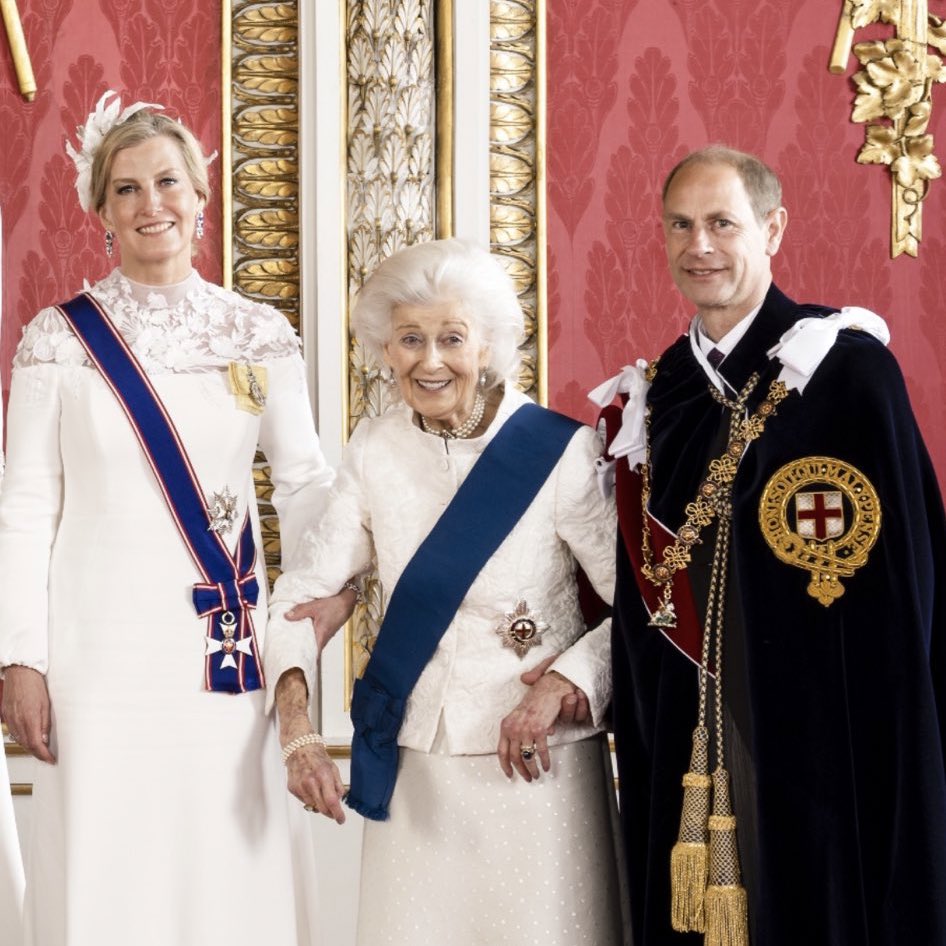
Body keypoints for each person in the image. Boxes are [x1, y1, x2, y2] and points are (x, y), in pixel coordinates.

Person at [0, 91, 347, 946]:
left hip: (221, 654)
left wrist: (317, 607)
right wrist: (20, 659)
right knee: (109, 862)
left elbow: (304, 485)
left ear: (200, 194)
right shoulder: (57, 340)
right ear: (101, 210)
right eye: (126, 188)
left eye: (166, 182)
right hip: (96, 659)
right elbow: (25, 508)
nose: (149, 204)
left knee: (226, 859)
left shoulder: (257, 334)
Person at [602, 145, 946, 945]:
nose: (699, 246)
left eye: (722, 223)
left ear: (773, 229)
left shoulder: (846, 372)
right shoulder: (659, 398)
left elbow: (909, 584)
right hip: (690, 733)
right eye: (680, 225)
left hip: (828, 734)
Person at [264, 238, 627, 946]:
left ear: (487, 346)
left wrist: (566, 681)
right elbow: (299, 601)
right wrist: (298, 731)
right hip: (421, 767)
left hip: (540, 763)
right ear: (385, 350)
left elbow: (641, 612)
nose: (430, 361)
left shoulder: (560, 451)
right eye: (410, 339)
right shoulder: (375, 448)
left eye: (452, 338)